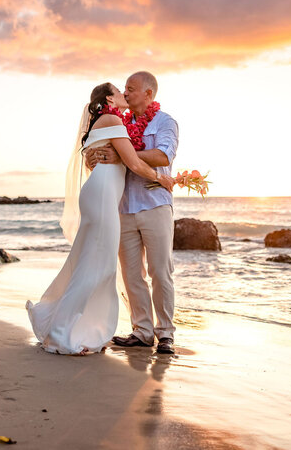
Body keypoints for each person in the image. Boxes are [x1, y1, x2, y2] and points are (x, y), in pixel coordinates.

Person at [26, 82, 174, 355]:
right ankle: (61, 333)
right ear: (109, 98)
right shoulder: (112, 118)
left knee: (96, 263)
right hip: (104, 195)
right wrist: (161, 178)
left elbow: (112, 156)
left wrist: (116, 156)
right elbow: (133, 163)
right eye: (120, 91)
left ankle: (78, 328)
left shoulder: (104, 121)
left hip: (102, 194)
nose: (125, 95)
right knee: (97, 266)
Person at [86, 71, 179, 355]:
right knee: (131, 273)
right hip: (124, 206)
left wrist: (125, 154)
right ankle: (142, 331)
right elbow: (100, 158)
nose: (125, 94)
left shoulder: (166, 122)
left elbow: (164, 156)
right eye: (124, 89)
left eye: (131, 89)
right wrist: (99, 156)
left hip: (155, 203)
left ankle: (165, 333)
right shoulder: (119, 122)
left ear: (149, 93)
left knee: (160, 271)